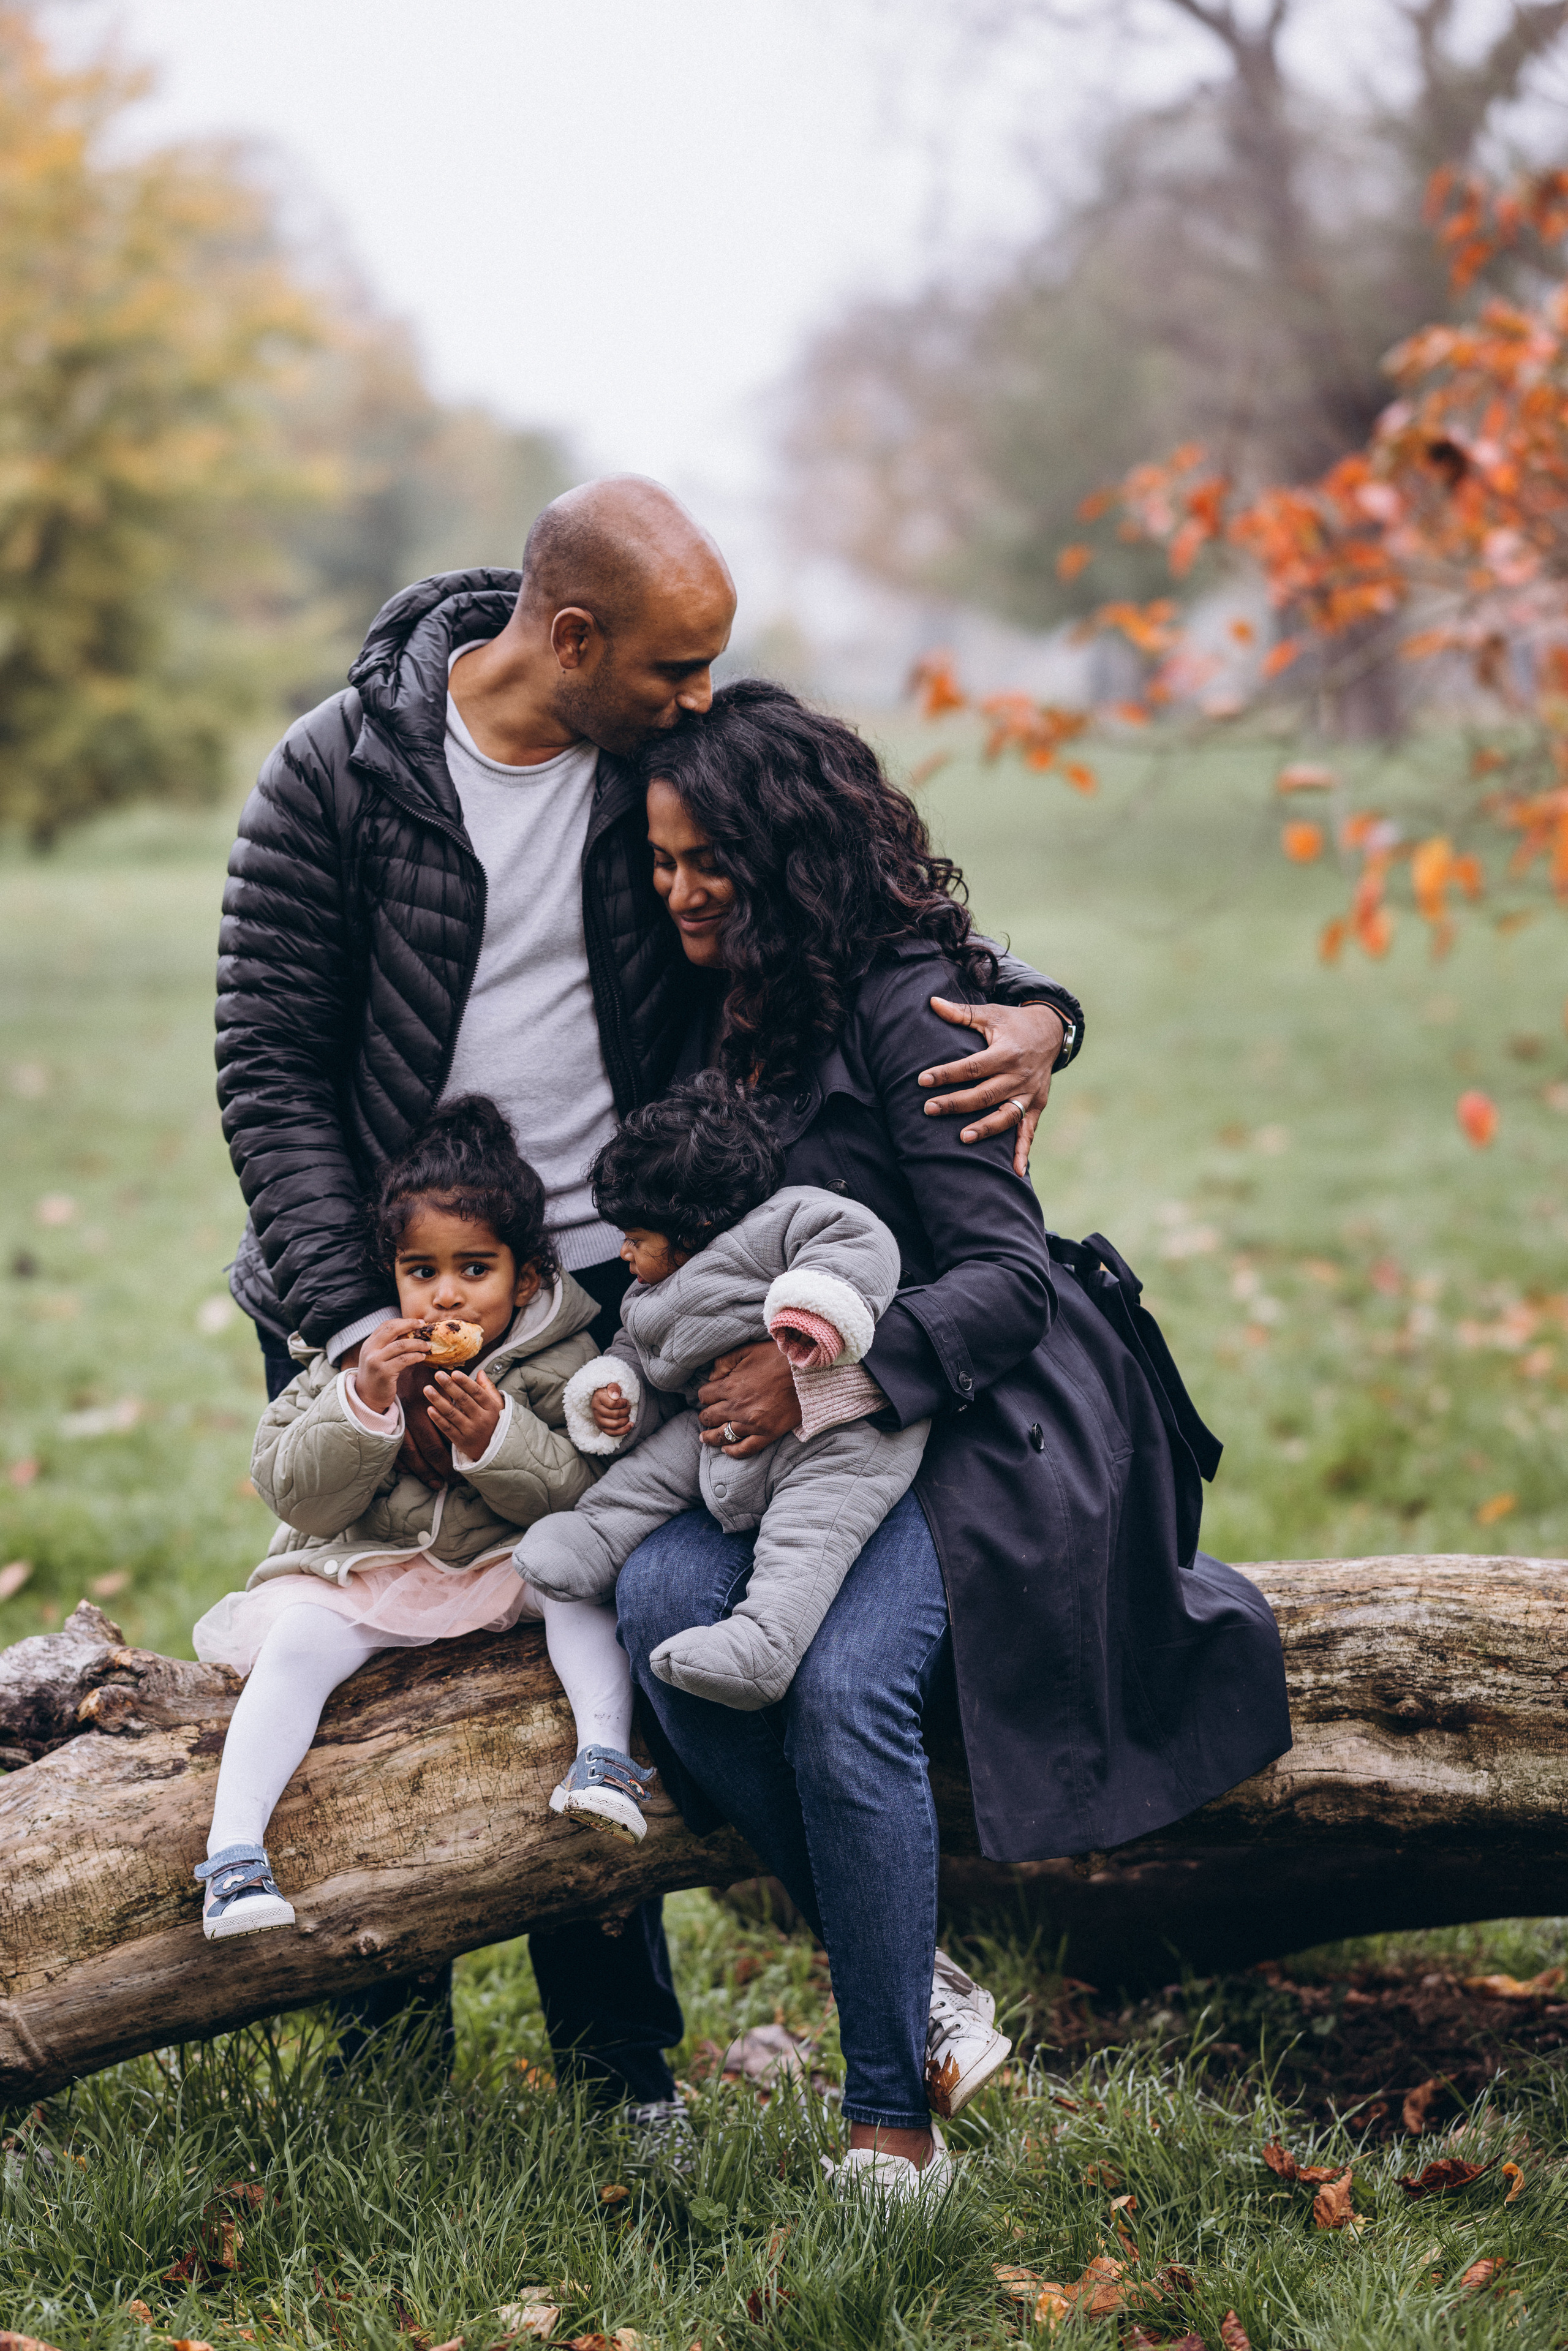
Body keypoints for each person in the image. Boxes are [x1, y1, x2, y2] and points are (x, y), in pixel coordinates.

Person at [216, 472, 1084, 2107]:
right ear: (571, 637)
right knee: (365, 1629)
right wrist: (365, 1331)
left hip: (626, 1281)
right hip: (379, 1282)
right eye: (679, 667)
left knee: (579, 1648)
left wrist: (1035, 1004)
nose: (703, 698)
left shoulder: (653, 774)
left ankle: (627, 2076)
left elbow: (857, 881)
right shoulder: (337, 774)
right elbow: (267, 1065)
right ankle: (382, 2055)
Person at [612, 679, 1292, 2198]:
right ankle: (912, 1977)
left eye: (703, 859)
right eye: (657, 861)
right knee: (659, 1601)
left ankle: (887, 2125)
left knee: (844, 1679)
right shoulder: (708, 1002)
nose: (676, 891)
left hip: (976, 1410)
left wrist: (822, 1386)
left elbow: (996, 1275)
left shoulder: (909, 1005)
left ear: (782, 851)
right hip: (783, 1426)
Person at [191, 1097, 643, 1938]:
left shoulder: (563, 1360)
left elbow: (585, 1495)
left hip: (503, 1562)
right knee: (293, 1647)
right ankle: (233, 1854)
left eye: (477, 1269)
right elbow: (294, 1493)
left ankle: (606, 1758)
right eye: (422, 1271)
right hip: (375, 1568)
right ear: (392, 1274)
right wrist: (362, 1404)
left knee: (583, 1577)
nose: (447, 1297)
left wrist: (497, 1438)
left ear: (528, 1277)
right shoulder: (350, 1356)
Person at [518, 1074, 930, 1722]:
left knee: (806, 1539)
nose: (621, 1250)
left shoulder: (783, 1221)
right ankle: (594, 1538)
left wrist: (812, 1320)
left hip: (835, 1432)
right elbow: (641, 1355)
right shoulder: (648, 1296)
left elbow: (860, 1243)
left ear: (695, 1223)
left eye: (635, 1235)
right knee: (649, 1472)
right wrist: (615, 1391)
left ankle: (764, 1642)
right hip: (715, 1428)